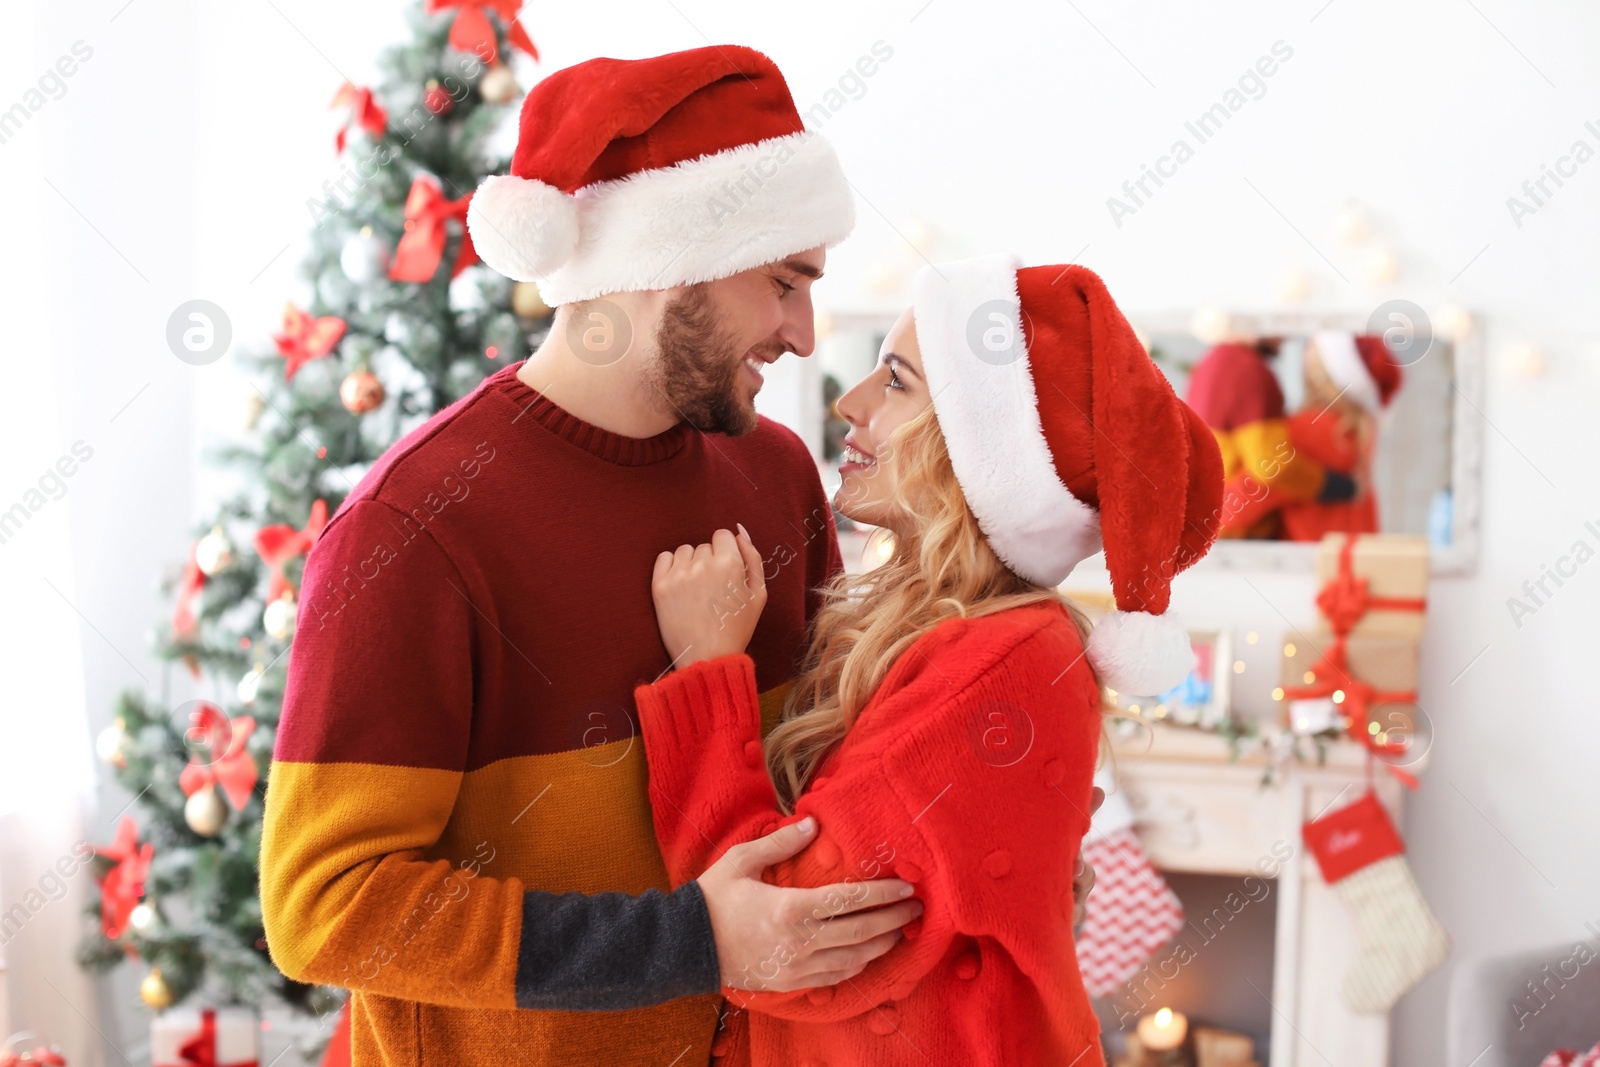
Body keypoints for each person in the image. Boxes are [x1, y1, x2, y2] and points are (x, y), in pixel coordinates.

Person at [259, 44, 1101, 1066]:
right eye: (783, 282)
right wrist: (689, 943)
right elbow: (325, 907)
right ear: (666, 266)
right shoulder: (415, 526)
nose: (802, 334)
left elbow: (816, 782)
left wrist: (978, 833)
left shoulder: (777, 476)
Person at [632, 255, 1226, 1066]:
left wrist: (705, 673)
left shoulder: (1006, 662)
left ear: (979, 452)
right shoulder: (949, 634)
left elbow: (776, 939)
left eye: (898, 381)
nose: (852, 402)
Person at [1185, 334, 1357, 538]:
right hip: (1241, 534)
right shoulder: (1249, 370)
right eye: (1280, 325)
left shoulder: (1210, 362)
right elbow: (1272, 465)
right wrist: (1340, 487)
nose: (1289, 338)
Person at [1278, 331, 1402, 540]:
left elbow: (1234, 509)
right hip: (1358, 560)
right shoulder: (1362, 427)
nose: (1303, 352)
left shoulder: (1305, 429)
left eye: (1310, 346)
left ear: (1322, 368)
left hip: (1309, 565)